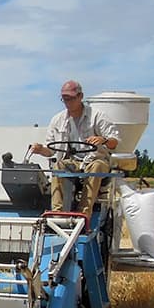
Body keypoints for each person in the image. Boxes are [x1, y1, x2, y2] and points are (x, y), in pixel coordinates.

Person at [29, 80, 120, 215]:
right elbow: (51, 150)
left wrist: (103, 140)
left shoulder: (97, 116)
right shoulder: (57, 120)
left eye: (70, 98)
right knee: (58, 166)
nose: (67, 102)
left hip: (96, 160)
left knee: (95, 167)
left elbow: (114, 142)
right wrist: (40, 149)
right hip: (72, 162)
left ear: (80, 96)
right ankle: (57, 213)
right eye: (64, 99)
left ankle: (83, 213)